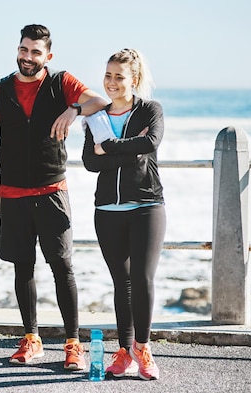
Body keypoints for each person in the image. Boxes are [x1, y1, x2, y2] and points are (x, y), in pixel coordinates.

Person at [0, 24, 108, 369]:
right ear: (17, 50)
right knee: (23, 267)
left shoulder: (61, 82)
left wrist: (74, 110)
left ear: (47, 56)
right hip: (12, 192)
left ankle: (73, 344)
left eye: (36, 52)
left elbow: (101, 100)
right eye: (24, 50)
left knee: (62, 266)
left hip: (52, 189)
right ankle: (31, 338)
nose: (28, 57)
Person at [82, 48, 165, 381]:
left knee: (142, 280)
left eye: (119, 76)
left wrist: (111, 146)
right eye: (108, 75)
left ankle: (143, 349)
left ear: (134, 79)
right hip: (107, 210)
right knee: (122, 283)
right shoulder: (96, 115)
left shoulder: (150, 110)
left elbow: (151, 143)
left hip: (146, 206)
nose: (112, 82)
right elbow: (91, 162)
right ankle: (125, 350)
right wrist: (127, 148)